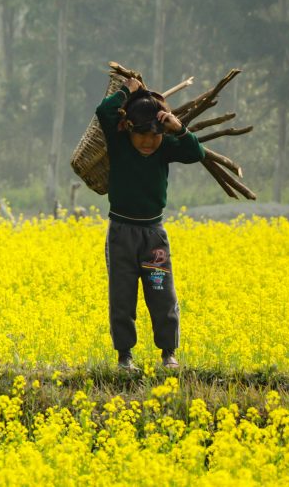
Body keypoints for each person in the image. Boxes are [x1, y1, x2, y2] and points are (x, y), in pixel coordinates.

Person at [95, 76, 205, 371]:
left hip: (153, 236)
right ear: (127, 128)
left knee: (161, 294)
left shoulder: (166, 147)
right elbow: (104, 111)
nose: (148, 141)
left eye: (155, 135)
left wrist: (177, 128)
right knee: (122, 295)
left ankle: (168, 353)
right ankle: (124, 356)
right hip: (121, 233)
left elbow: (197, 153)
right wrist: (126, 91)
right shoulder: (119, 143)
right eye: (141, 135)